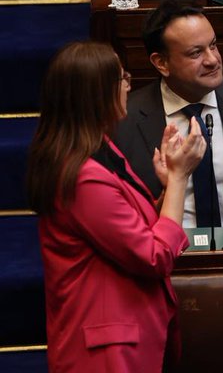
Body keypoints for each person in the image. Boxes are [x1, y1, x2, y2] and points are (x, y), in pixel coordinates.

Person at [28, 41, 206, 371]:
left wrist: (167, 187)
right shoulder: (83, 176)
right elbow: (153, 256)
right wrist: (181, 178)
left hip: (127, 338)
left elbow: (126, 230)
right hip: (106, 354)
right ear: (96, 93)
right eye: (121, 77)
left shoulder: (101, 150)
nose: (128, 85)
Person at [112, 1, 223, 227]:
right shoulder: (126, 118)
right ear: (161, 63)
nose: (213, 60)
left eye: (213, 45)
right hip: (166, 253)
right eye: (196, 53)